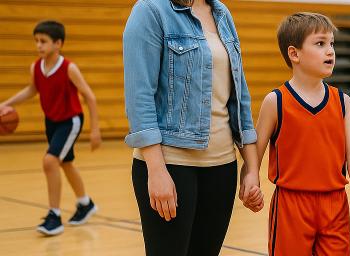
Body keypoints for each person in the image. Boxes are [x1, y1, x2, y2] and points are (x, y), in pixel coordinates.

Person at [122, 0, 261, 255]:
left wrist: (251, 168)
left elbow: (240, 95)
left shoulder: (222, 13)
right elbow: (139, 97)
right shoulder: (150, 10)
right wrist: (156, 170)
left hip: (222, 168)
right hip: (171, 166)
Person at [248, 12, 350, 255]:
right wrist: (250, 178)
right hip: (291, 205)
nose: (330, 51)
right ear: (294, 54)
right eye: (320, 43)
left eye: (332, 44)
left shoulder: (342, 102)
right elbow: (255, 150)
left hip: (335, 205)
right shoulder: (276, 101)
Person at [0, 20, 101, 236]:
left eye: (43, 41)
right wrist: (6, 104)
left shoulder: (68, 68)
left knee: (50, 161)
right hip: (51, 121)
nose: (39, 45)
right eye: (36, 41)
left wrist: (95, 130)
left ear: (58, 43)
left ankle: (54, 215)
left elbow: (90, 97)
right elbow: (31, 90)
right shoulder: (36, 67)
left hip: (70, 120)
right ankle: (85, 203)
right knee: (65, 163)